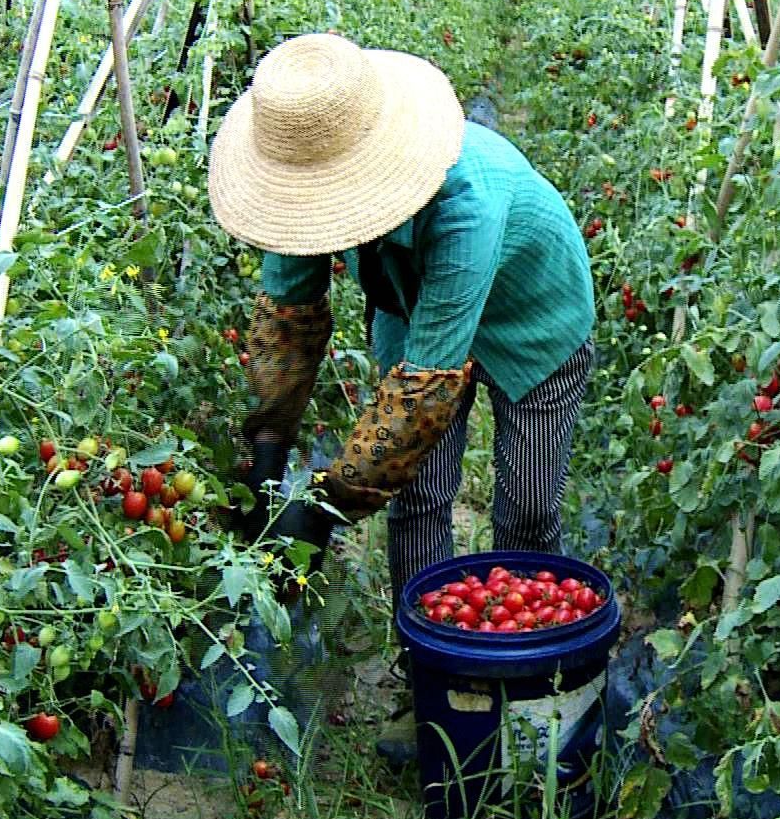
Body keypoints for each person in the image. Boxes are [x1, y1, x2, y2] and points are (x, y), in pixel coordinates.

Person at [206, 31, 596, 602]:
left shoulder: (465, 205)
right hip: (407, 307)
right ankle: (425, 642)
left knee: (530, 503)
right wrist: (266, 454)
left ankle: (522, 632)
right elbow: (287, 323)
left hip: (535, 319)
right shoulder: (299, 194)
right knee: (416, 495)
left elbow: (422, 391)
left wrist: (323, 508)